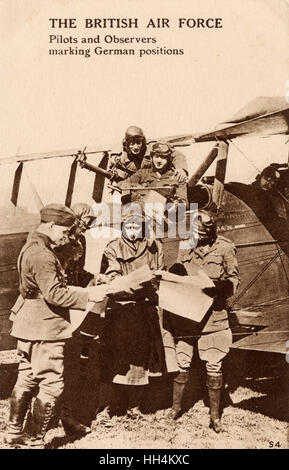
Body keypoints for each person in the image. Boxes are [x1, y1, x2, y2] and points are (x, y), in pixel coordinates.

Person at [4, 204, 106, 448]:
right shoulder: (42, 255)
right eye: (65, 230)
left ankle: (13, 432)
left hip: (29, 323)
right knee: (51, 384)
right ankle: (34, 440)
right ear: (50, 225)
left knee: (27, 378)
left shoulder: (34, 246)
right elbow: (55, 295)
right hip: (45, 326)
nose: (67, 236)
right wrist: (90, 295)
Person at [165, 210, 239, 432]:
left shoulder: (226, 247)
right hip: (188, 312)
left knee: (214, 362)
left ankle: (215, 417)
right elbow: (179, 270)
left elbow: (234, 279)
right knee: (182, 360)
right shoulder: (187, 244)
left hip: (214, 313)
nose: (198, 237)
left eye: (203, 233)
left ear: (212, 230)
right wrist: (176, 273)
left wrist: (220, 288)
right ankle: (175, 408)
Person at [98, 212, 166, 421]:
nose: (133, 232)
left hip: (144, 309)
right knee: (116, 359)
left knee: (140, 359)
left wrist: (152, 281)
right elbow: (113, 274)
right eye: (129, 227)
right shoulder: (112, 247)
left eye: (138, 227)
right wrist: (130, 283)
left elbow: (160, 272)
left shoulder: (155, 247)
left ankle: (134, 407)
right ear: (122, 226)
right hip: (121, 311)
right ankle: (108, 407)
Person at [108, 126, 188, 185]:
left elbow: (176, 154)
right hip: (136, 187)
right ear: (127, 144)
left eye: (138, 143)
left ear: (143, 142)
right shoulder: (122, 157)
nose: (135, 147)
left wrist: (181, 168)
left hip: (159, 182)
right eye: (132, 144)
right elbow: (116, 174)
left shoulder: (153, 148)